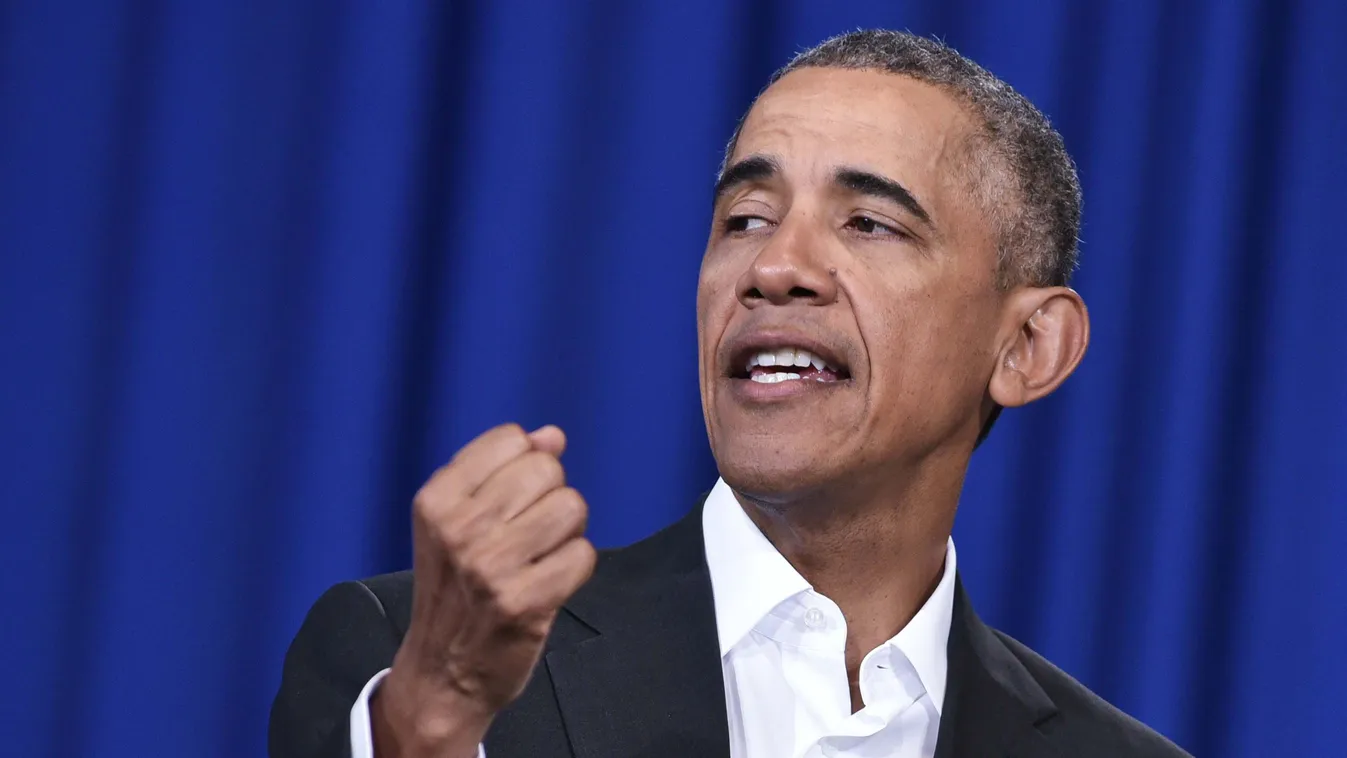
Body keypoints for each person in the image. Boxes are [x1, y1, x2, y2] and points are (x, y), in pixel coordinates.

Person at [269, 29, 1190, 758]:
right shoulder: (412, 661)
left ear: (1028, 345)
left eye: (868, 224)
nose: (775, 266)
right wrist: (431, 730)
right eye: (743, 219)